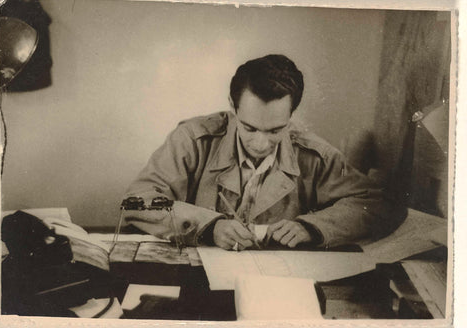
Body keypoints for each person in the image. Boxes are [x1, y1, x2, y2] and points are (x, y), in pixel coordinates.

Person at [123, 54, 399, 251]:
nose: (261, 143)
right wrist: (208, 226)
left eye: (276, 130)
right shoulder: (192, 140)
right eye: (249, 128)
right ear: (233, 106)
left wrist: (312, 227)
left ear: (292, 115)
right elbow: (138, 201)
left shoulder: (313, 154)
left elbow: (376, 203)